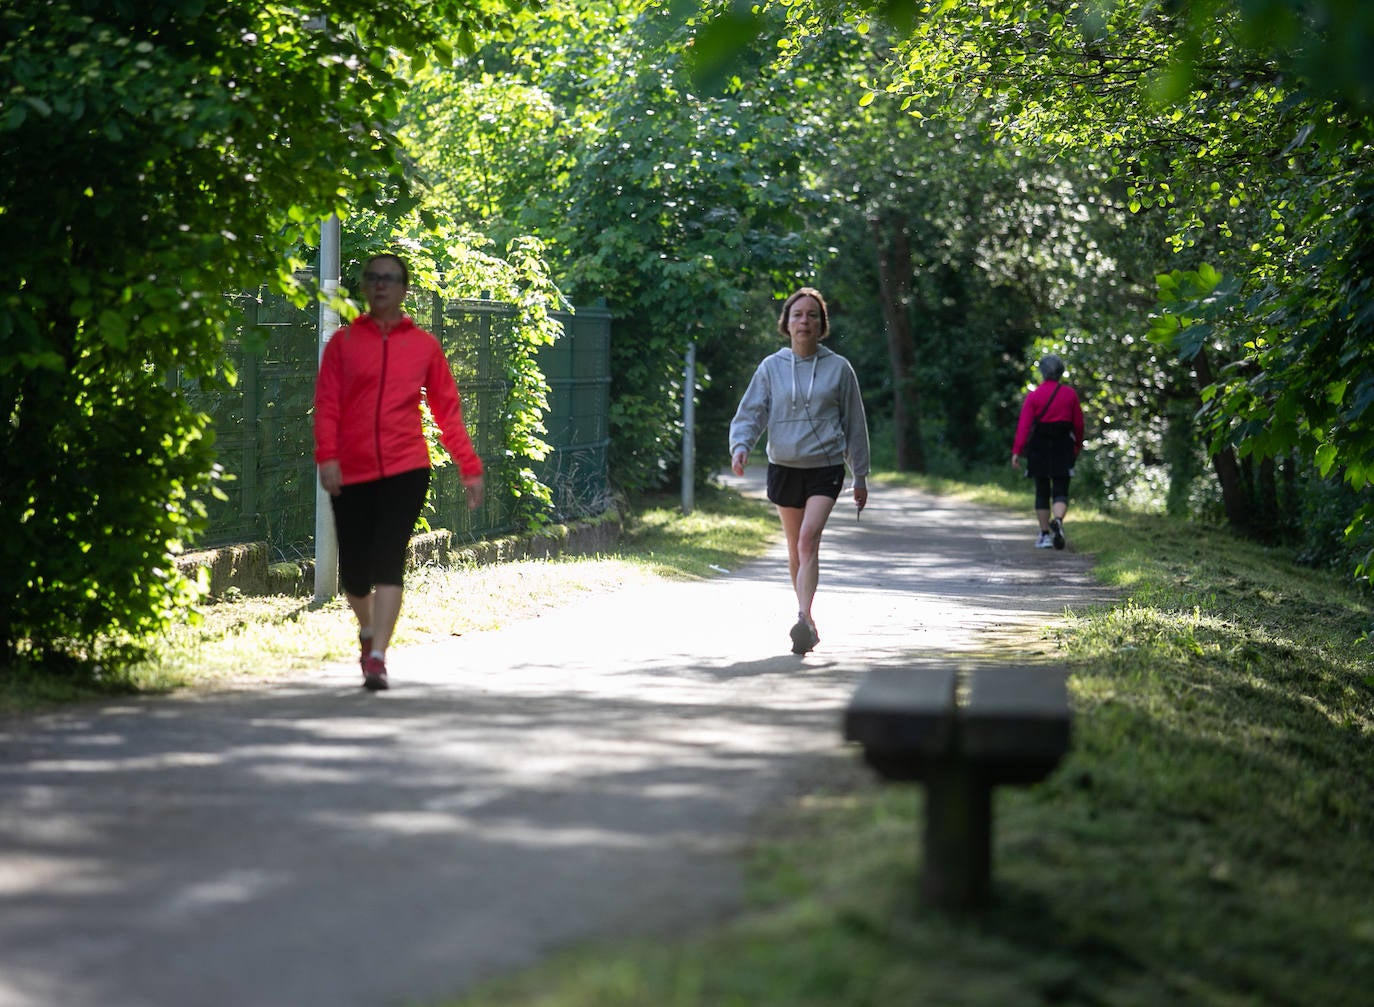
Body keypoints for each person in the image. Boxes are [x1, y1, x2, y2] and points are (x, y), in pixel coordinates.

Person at [314, 252, 484, 691]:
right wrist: (327, 457)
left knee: (389, 557)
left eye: (389, 279)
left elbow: (447, 409)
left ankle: (376, 656)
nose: (380, 285)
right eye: (372, 278)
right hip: (351, 467)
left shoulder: (423, 346)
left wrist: (469, 465)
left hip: (406, 467)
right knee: (353, 569)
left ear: (404, 289)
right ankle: (367, 627)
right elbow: (328, 404)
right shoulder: (343, 344)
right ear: (365, 286)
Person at [729, 286, 870, 656]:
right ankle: (807, 623)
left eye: (812, 315)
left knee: (808, 541)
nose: (804, 321)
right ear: (786, 324)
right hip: (784, 466)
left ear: (821, 324)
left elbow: (855, 423)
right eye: (797, 314)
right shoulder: (771, 367)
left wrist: (860, 474)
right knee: (795, 549)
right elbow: (752, 412)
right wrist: (741, 446)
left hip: (824, 468)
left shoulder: (839, 368)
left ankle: (802, 618)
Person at [1011, 353, 1085, 551]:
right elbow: (1078, 425)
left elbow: (1024, 426)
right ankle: (1058, 520)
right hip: (1063, 446)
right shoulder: (1070, 395)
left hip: (1039, 446)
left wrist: (1017, 451)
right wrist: (1077, 446)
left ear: (1042, 372)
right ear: (1060, 372)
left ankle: (1044, 535)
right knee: (1061, 490)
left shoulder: (1034, 396)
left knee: (1042, 492)